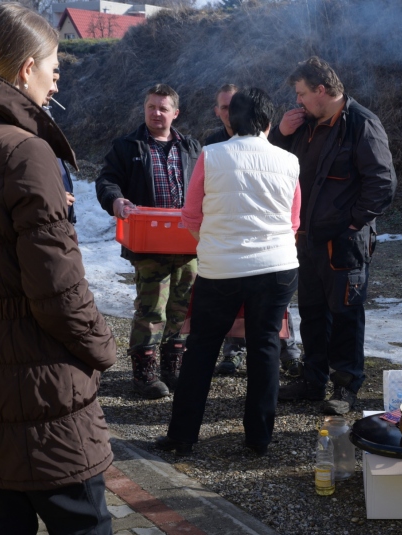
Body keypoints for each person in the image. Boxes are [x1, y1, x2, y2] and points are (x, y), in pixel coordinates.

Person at [0, 4, 115, 533]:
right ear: (24, 69)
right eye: (54, 66)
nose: (57, 80)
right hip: (44, 392)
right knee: (83, 525)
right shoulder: (24, 153)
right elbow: (59, 291)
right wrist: (103, 348)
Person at [155, 87, 300, 456]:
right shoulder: (289, 160)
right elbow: (293, 222)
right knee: (265, 346)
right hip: (278, 266)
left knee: (202, 347)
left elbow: (190, 216)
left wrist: (214, 241)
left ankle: (183, 437)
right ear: (268, 123)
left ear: (230, 121)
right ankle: (258, 439)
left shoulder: (212, 155)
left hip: (221, 269)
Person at [271, 56, 397, 415]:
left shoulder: (361, 124)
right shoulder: (303, 125)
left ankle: (346, 386)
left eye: (302, 94)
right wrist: (281, 133)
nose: (298, 101)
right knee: (311, 311)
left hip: (344, 242)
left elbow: (383, 183)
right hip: (306, 239)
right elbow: (275, 166)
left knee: (345, 315)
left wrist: (354, 224)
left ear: (321, 90)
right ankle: (313, 381)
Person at [96, 83, 202, 399]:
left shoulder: (192, 148)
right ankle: (144, 372)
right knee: (152, 305)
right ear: (145, 110)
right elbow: (107, 180)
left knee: (181, 308)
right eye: (151, 107)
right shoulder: (128, 146)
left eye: (163, 108)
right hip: (148, 242)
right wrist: (115, 201)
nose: (156, 113)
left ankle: (174, 367)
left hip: (187, 244)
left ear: (175, 113)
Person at [205, 85, 304, 378]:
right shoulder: (211, 147)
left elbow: (292, 218)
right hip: (240, 257)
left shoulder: (274, 150)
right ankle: (233, 352)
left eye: (230, 108)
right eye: (222, 108)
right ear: (218, 112)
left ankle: (291, 354)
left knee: (270, 325)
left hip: (265, 257)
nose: (227, 113)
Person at [43, 67, 76, 225]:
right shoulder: (22, 122)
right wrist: (50, 197)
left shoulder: (44, 113)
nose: (56, 89)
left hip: (58, 221)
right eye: (53, 80)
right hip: (45, 223)